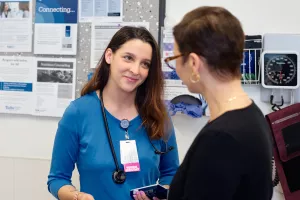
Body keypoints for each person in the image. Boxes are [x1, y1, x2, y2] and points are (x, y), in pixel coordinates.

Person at [47, 26, 179, 200]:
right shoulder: (78, 113)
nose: (135, 70)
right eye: (128, 58)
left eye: (145, 64)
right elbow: (57, 179)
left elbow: (171, 173)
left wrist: (161, 194)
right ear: (109, 56)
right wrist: (76, 196)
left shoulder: (158, 114)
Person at [166, 6, 273, 200]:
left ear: (193, 63)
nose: (176, 69)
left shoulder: (220, 139)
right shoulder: (250, 115)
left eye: (174, 59)